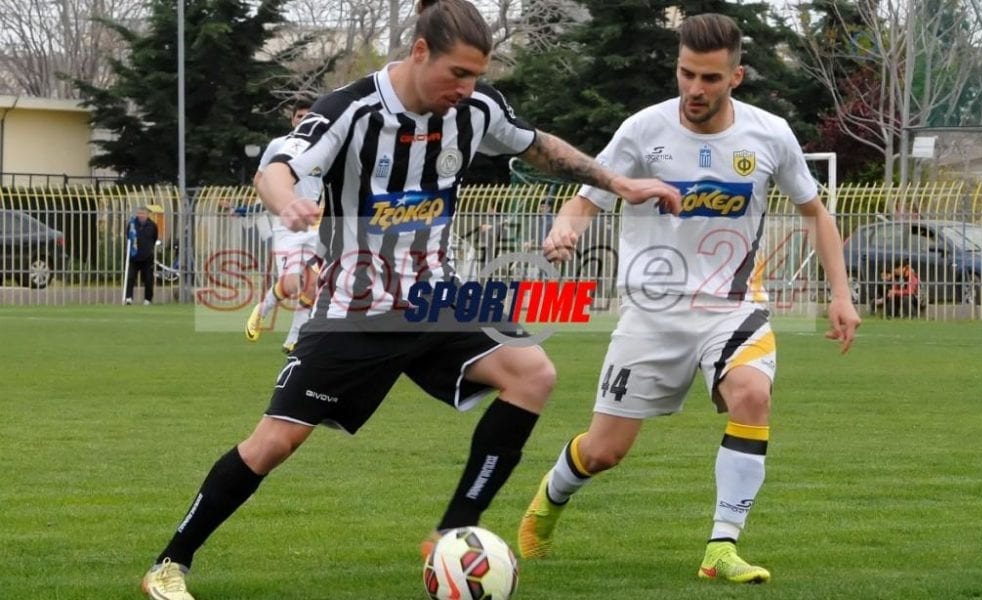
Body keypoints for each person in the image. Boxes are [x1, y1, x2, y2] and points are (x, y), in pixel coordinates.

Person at [140, 2, 681, 598]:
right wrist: (287, 201)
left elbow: (540, 147)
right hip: (354, 311)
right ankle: (170, 564)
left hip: (435, 297)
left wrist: (618, 182)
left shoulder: (475, 109)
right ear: (420, 51)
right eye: (458, 73)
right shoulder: (350, 110)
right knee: (274, 443)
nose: (467, 88)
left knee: (533, 374)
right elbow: (275, 168)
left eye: (477, 75)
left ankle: (454, 532)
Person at [516, 13, 861, 585]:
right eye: (686, 74)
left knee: (752, 393)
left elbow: (815, 213)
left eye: (710, 78)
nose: (695, 89)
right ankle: (548, 502)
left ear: (736, 77)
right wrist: (564, 230)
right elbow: (585, 198)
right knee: (604, 452)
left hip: (733, 305)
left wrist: (841, 295)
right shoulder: (642, 130)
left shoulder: (770, 134)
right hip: (651, 312)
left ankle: (721, 548)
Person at [245, 96, 317, 353]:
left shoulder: (326, 147)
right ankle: (261, 310)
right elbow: (259, 180)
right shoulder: (279, 145)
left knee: (313, 285)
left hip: (318, 223)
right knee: (291, 283)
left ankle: (294, 340)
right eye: (300, 116)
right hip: (287, 224)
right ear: (292, 119)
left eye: (309, 117)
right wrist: (278, 208)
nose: (304, 121)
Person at [124, 206, 159, 306]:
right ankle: (128, 298)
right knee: (130, 277)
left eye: (143, 214)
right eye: (139, 213)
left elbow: (155, 238)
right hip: (134, 256)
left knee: (148, 279)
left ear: (147, 215)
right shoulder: (132, 225)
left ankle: (148, 299)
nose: (141, 215)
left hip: (147, 258)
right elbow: (128, 236)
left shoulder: (152, 226)